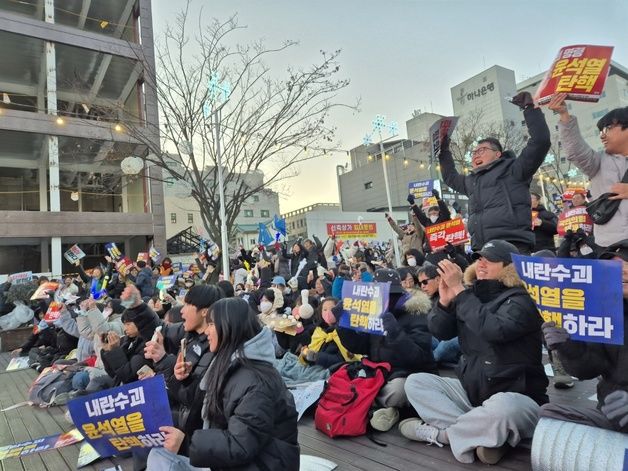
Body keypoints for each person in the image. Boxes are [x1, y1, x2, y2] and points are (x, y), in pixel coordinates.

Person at [402, 240, 548, 464]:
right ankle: (482, 434)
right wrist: (444, 302)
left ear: (509, 266)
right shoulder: (471, 295)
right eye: (479, 258)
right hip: (474, 393)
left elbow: (493, 329)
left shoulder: (524, 299)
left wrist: (459, 291)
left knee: (503, 409)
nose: (481, 264)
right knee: (415, 382)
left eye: (489, 260)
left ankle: (445, 435)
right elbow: (440, 331)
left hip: (519, 397)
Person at [146, 298, 300, 471]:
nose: (207, 331)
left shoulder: (257, 382)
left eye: (211, 324)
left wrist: (186, 444)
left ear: (229, 327)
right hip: (232, 462)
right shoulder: (226, 363)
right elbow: (196, 403)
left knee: (162, 459)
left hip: (259, 465)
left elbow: (240, 445)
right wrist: (181, 378)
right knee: (158, 453)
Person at [438, 91, 551, 253]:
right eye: (474, 152)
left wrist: (529, 108)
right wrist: (443, 150)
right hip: (482, 249)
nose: (476, 154)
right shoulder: (471, 181)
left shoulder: (514, 169)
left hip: (512, 245)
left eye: (482, 150)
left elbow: (540, 142)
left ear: (497, 154)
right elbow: (450, 176)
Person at [540, 239, 628, 433]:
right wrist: (569, 348)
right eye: (615, 265)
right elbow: (590, 369)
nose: (621, 270)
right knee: (549, 417)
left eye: (627, 263)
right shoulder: (603, 312)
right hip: (611, 414)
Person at [336, 268, 436, 432]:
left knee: (399, 390)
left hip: (408, 375)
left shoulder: (416, 313)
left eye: (391, 294)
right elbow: (360, 346)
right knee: (345, 378)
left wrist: (395, 331)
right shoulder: (373, 312)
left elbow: (420, 358)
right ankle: (383, 408)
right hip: (379, 374)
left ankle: (372, 405)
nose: (386, 298)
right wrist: (343, 326)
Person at [548, 94, 628, 248]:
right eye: (600, 131)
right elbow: (575, 151)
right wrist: (564, 115)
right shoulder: (598, 162)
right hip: (610, 246)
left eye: (608, 128)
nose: (602, 135)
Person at [417, 264, 460, 366]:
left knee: (445, 346)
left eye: (425, 282)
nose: (422, 286)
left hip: (459, 340)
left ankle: (431, 359)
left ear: (437, 279)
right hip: (439, 340)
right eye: (420, 283)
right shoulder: (427, 300)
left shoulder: (457, 293)